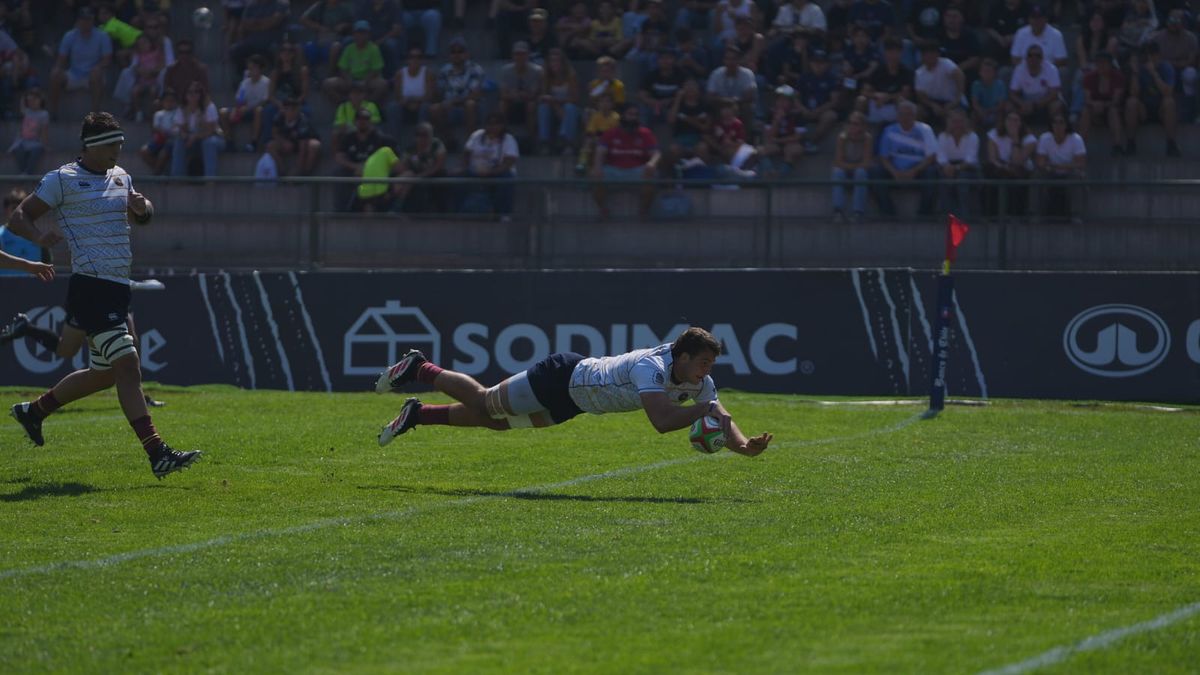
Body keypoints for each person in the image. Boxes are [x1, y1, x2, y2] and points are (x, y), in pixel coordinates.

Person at [2, 112, 201, 478]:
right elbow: (19, 216)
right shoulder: (62, 179)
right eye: (112, 144)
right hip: (91, 286)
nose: (119, 150)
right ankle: (157, 452)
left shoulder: (121, 176)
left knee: (103, 375)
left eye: (120, 143)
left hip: (116, 286)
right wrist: (38, 238)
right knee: (128, 364)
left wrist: (143, 210)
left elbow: (143, 216)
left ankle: (34, 411)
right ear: (92, 146)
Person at [373, 326, 773, 458]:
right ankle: (419, 367)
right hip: (563, 377)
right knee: (484, 402)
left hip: (577, 404)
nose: (708, 371)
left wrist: (741, 446)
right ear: (682, 356)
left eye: (710, 365)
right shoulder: (651, 367)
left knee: (497, 426)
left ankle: (418, 413)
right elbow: (663, 422)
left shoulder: (698, 380)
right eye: (704, 362)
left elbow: (716, 409)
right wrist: (708, 414)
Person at [870, 100, 937, 219]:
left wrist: (914, 171)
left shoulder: (925, 130)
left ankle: (924, 213)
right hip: (895, 170)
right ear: (897, 116)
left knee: (931, 172)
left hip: (918, 170)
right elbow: (883, 157)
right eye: (902, 114)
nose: (905, 117)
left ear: (914, 115)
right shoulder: (889, 130)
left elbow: (931, 156)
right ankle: (887, 212)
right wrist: (894, 172)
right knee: (876, 171)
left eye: (909, 114)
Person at [592, 102, 660, 218]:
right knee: (594, 175)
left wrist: (652, 163)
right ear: (622, 116)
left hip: (637, 171)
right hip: (614, 171)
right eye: (630, 114)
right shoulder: (611, 133)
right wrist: (597, 167)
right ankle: (603, 210)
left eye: (636, 115)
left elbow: (656, 153)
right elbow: (600, 152)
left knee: (652, 175)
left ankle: (643, 212)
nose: (633, 117)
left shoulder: (645, 133)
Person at [48, 8, 113, 118]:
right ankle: (53, 112)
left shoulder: (102, 36)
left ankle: (95, 114)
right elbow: (62, 58)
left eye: (88, 20)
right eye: (83, 20)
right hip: (74, 73)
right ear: (78, 21)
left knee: (97, 74)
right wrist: (57, 68)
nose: (85, 23)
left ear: (92, 21)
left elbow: (107, 59)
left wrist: (98, 67)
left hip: (93, 74)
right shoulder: (69, 36)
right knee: (55, 75)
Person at [1124, 41, 1180, 157]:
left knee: (1169, 102)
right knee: (1131, 102)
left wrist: (1154, 73)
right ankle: (1130, 143)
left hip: (1161, 110)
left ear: (1157, 55)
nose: (1148, 59)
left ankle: (1171, 144)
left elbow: (1168, 92)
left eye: (1151, 55)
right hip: (1143, 110)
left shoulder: (1166, 67)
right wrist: (1135, 72)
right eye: (1145, 56)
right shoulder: (1139, 68)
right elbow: (1133, 93)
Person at [462, 113, 520, 221]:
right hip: (476, 171)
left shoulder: (508, 139)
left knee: (507, 178)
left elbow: (509, 162)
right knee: (456, 177)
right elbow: (466, 152)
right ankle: (457, 213)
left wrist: (491, 172)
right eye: (490, 124)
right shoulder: (477, 135)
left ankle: (503, 214)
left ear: (502, 125)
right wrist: (465, 167)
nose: (492, 127)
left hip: (498, 173)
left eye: (496, 124)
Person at [984, 110, 1036, 217]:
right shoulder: (994, 134)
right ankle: (993, 215)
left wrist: (1015, 139)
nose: (1012, 123)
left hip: (1020, 170)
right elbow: (992, 158)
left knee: (1016, 175)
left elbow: (1017, 161)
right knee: (991, 170)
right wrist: (1003, 167)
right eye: (1009, 119)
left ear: (1021, 123)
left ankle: (1017, 215)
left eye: (1016, 120)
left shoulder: (1030, 140)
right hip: (1000, 167)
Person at [1035, 113, 1086, 222]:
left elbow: (1080, 164)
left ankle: (1075, 214)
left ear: (1066, 125)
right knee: (1037, 176)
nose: (1058, 125)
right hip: (1051, 172)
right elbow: (1040, 162)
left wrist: (1055, 165)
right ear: (1051, 125)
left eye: (1061, 122)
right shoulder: (1044, 138)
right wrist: (1059, 166)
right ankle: (1036, 214)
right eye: (1055, 122)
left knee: (1077, 177)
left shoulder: (1076, 139)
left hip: (1070, 173)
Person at [219, 54, 271, 152]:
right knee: (223, 112)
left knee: (258, 110)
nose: (250, 70)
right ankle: (229, 142)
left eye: (253, 67)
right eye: (249, 68)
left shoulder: (266, 82)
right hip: (244, 110)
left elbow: (265, 101)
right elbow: (240, 99)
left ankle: (254, 142)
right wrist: (236, 110)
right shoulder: (244, 83)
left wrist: (249, 108)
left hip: (257, 112)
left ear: (259, 68)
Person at [170, 82, 223, 177]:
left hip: (211, 137)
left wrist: (195, 136)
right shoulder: (182, 109)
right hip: (191, 140)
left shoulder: (209, 107)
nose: (193, 95)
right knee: (179, 142)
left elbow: (211, 130)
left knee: (209, 143)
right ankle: (177, 179)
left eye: (196, 92)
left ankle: (210, 180)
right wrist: (184, 135)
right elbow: (177, 127)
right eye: (189, 92)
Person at [935, 108, 980, 217]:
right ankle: (947, 216)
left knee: (962, 179)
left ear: (965, 122)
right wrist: (947, 166)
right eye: (954, 121)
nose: (957, 125)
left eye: (960, 121)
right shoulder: (942, 137)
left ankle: (965, 216)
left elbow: (971, 159)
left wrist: (955, 168)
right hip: (947, 167)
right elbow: (941, 156)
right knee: (943, 179)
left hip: (969, 169)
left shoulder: (973, 137)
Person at [831, 111, 873, 223]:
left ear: (862, 126)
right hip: (846, 168)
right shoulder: (842, 137)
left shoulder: (867, 138)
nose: (852, 126)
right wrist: (851, 166)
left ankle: (858, 212)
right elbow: (838, 162)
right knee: (837, 173)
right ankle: (838, 211)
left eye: (855, 123)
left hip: (858, 169)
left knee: (861, 173)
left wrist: (853, 167)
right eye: (850, 123)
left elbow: (867, 163)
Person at [1079, 51, 1125, 154]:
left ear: (1110, 64)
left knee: (1113, 111)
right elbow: (1087, 99)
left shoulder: (1118, 77)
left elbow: (1116, 100)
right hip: (1094, 109)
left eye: (1104, 63)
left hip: (1112, 109)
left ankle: (1117, 145)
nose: (1101, 66)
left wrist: (1103, 105)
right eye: (1098, 63)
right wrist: (1094, 104)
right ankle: (1080, 147)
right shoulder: (1089, 78)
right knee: (1086, 111)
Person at [537, 48, 581, 153]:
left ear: (562, 62)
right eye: (552, 61)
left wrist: (555, 101)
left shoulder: (571, 75)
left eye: (557, 61)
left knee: (570, 108)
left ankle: (567, 142)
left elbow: (575, 98)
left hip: (568, 106)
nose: (554, 64)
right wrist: (554, 104)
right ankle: (545, 142)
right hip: (553, 107)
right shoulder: (545, 76)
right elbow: (543, 96)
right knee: (543, 108)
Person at [499, 41, 544, 143]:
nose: (520, 57)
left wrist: (522, 94)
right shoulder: (505, 71)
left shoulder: (537, 71)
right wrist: (513, 95)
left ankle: (532, 139)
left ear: (528, 55)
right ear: (513, 56)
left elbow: (534, 94)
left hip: (529, 103)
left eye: (523, 54)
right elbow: (503, 94)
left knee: (531, 105)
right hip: (512, 102)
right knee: (502, 104)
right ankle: (502, 137)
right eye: (517, 54)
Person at [139, 87, 178, 174]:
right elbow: (156, 127)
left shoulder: (178, 113)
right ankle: (158, 170)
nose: (169, 103)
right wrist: (163, 132)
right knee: (144, 151)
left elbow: (177, 127)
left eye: (172, 101)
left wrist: (169, 133)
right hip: (160, 138)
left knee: (163, 154)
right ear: (163, 102)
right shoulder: (159, 114)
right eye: (167, 101)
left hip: (172, 139)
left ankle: (157, 173)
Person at [9, 88, 48, 175]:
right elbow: (22, 105)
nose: (32, 102)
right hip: (23, 140)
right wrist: (24, 95)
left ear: (40, 100)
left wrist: (44, 144)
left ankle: (28, 172)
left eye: (34, 100)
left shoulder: (44, 114)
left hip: (35, 141)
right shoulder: (27, 112)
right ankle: (23, 171)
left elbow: (44, 130)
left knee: (36, 150)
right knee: (17, 149)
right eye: (30, 100)